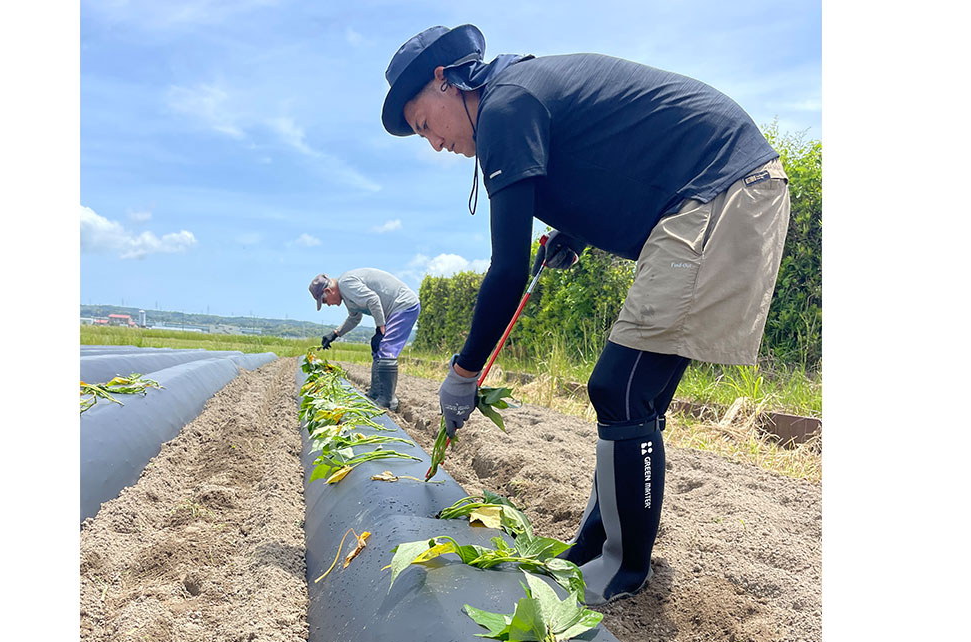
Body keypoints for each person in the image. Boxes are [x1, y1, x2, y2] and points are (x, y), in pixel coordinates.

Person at [382, 25, 790, 606]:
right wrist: (570, 234)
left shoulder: (505, 105)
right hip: (706, 195)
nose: (435, 145)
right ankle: (595, 546)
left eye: (425, 125)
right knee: (631, 394)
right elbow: (606, 155)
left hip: (721, 189)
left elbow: (505, 269)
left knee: (619, 388)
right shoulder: (514, 94)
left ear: (446, 82)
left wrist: (465, 370)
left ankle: (624, 568)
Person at [308, 268, 420, 411]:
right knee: (377, 346)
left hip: (404, 305)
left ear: (329, 292)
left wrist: (381, 327)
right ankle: (375, 394)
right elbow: (355, 318)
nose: (328, 304)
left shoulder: (346, 284)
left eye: (324, 301)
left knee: (386, 349)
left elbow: (373, 300)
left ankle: (388, 401)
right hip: (393, 310)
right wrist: (335, 333)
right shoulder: (347, 294)